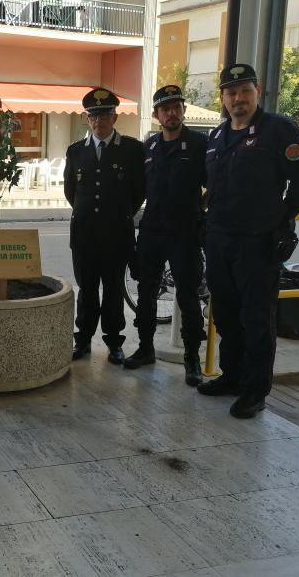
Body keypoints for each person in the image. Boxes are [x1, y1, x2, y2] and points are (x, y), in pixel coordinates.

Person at [199, 63, 299, 418]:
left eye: (244, 91)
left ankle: (254, 390)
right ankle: (232, 377)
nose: (238, 99)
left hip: (257, 245)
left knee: (256, 319)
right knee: (228, 316)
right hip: (219, 242)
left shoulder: (279, 130)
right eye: (231, 93)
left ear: (258, 92)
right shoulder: (218, 137)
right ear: (223, 98)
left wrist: (280, 223)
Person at [124, 85, 208, 386]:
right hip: (152, 231)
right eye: (165, 108)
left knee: (187, 297)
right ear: (156, 114)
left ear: (183, 110)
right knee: (146, 293)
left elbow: (214, 184)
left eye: (176, 107)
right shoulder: (149, 147)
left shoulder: (200, 144)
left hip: (185, 232)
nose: (172, 113)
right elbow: (139, 188)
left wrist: (202, 211)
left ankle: (192, 359)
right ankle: (145, 348)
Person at [65, 88, 145, 364]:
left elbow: (138, 192)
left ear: (115, 116)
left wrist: (121, 214)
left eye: (105, 114)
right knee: (86, 290)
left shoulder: (132, 149)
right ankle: (84, 340)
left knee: (112, 291)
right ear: (88, 119)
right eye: (94, 115)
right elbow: (70, 191)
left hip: (116, 235)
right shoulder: (76, 151)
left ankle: (114, 343)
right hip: (84, 235)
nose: (99, 121)